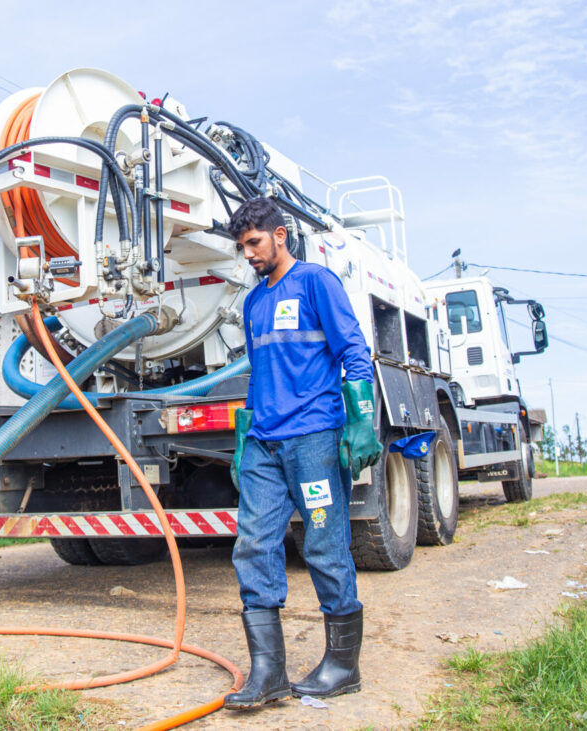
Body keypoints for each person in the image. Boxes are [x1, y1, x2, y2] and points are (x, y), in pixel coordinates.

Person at [223, 198, 383, 709]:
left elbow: (354, 351)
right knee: (253, 545)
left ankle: (343, 666)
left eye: (254, 242)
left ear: (281, 234)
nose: (248, 254)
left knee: (322, 544)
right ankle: (268, 671)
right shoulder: (253, 303)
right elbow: (257, 375)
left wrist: (361, 419)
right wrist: (244, 437)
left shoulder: (317, 282)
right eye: (241, 246)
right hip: (265, 445)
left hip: (314, 438)